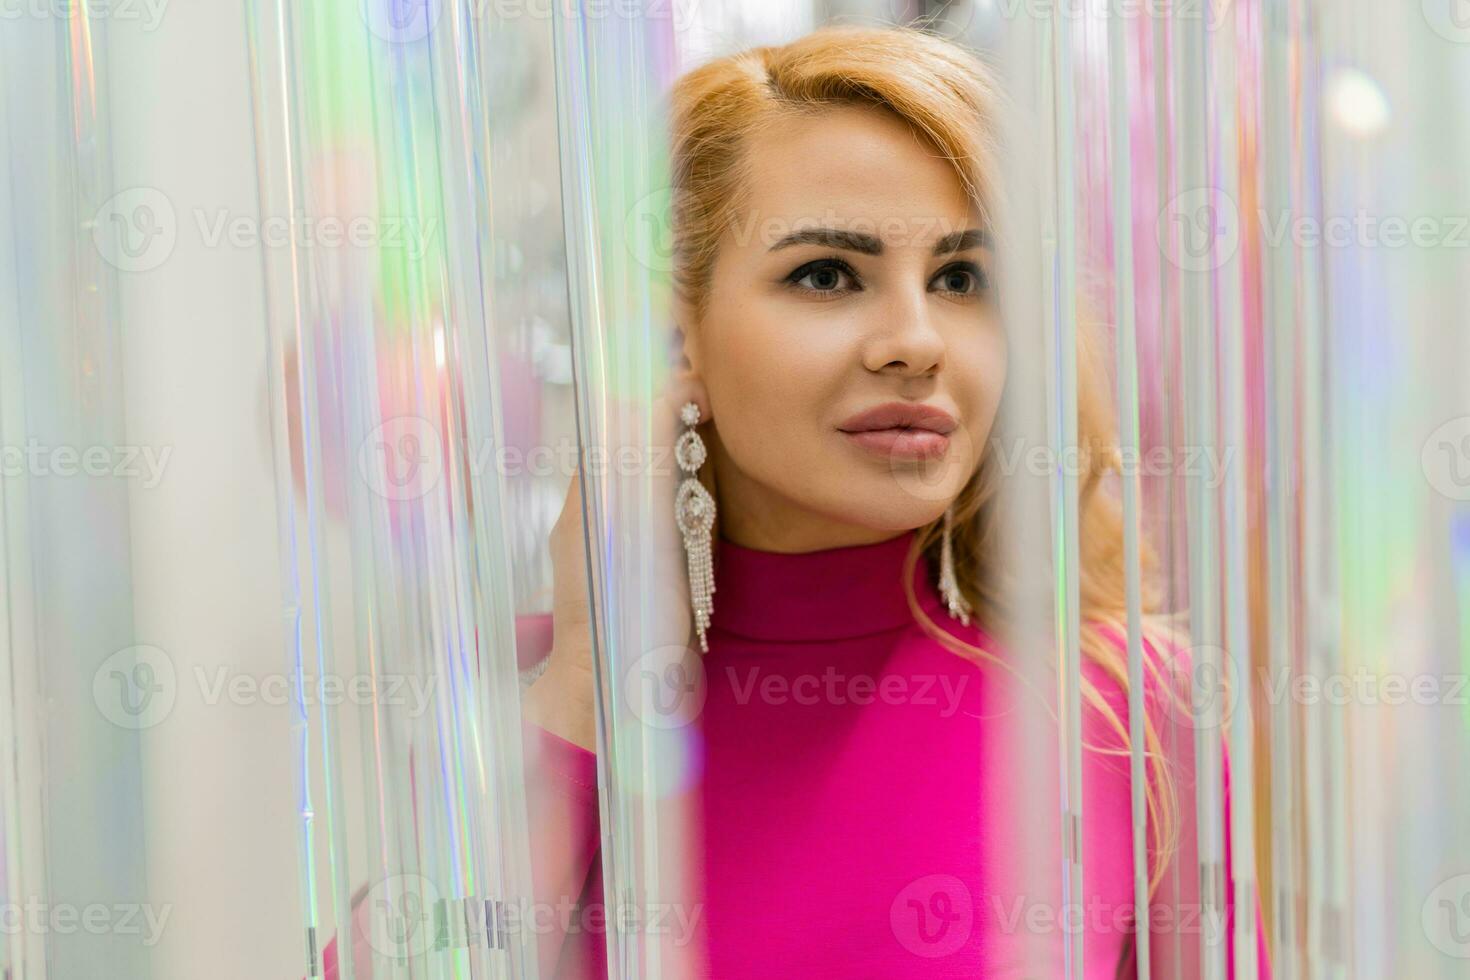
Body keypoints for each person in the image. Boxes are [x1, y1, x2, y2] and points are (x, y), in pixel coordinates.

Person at [323, 23, 1270, 980]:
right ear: (675, 330)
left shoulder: (1127, 708)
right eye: (827, 274)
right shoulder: (517, 695)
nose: (916, 339)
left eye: (961, 278)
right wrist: (583, 676)